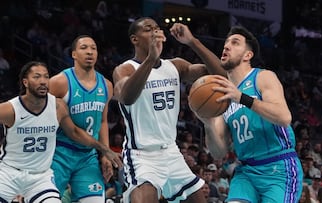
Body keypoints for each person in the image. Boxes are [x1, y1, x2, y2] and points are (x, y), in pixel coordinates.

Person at [170, 23, 304, 202]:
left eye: (235, 43)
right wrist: (208, 123)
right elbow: (219, 152)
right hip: (246, 171)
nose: (227, 46)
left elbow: (284, 117)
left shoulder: (262, 77)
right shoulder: (222, 95)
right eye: (226, 43)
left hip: (279, 168)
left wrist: (242, 98)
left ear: (248, 55)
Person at [112, 17, 224, 203]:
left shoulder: (175, 66)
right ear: (135, 39)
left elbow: (220, 74)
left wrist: (192, 41)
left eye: (157, 28)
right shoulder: (125, 69)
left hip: (171, 152)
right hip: (142, 156)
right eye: (148, 29)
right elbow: (126, 97)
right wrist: (150, 60)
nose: (155, 32)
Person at [0, 61, 121, 202]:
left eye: (46, 77)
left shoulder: (57, 106)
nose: (43, 81)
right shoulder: (10, 109)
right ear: (25, 82)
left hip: (40, 178)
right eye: (37, 77)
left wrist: (104, 149)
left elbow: (75, 132)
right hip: (9, 174)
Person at [49, 35, 120, 202]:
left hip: (87, 156)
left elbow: (102, 121)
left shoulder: (107, 85)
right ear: (73, 54)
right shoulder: (59, 82)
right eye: (84, 48)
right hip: (58, 153)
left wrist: (105, 154)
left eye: (93, 48)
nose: (89, 52)